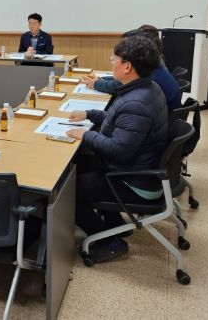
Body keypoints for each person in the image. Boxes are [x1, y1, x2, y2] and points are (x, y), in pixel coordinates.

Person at [66, 36, 168, 264]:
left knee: (67, 190)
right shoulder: (147, 88)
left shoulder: (136, 103)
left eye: (115, 59)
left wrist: (85, 134)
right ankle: (114, 224)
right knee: (76, 165)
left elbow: (118, 149)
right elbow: (119, 121)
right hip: (136, 168)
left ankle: (110, 242)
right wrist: (90, 114)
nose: (112, 62)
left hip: (133, 180)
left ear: (127, 66)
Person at [81, 26, 182, 112]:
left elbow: (117, 86)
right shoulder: (151, 64)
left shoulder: (136, 99)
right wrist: (102, 79)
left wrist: (96, 83)